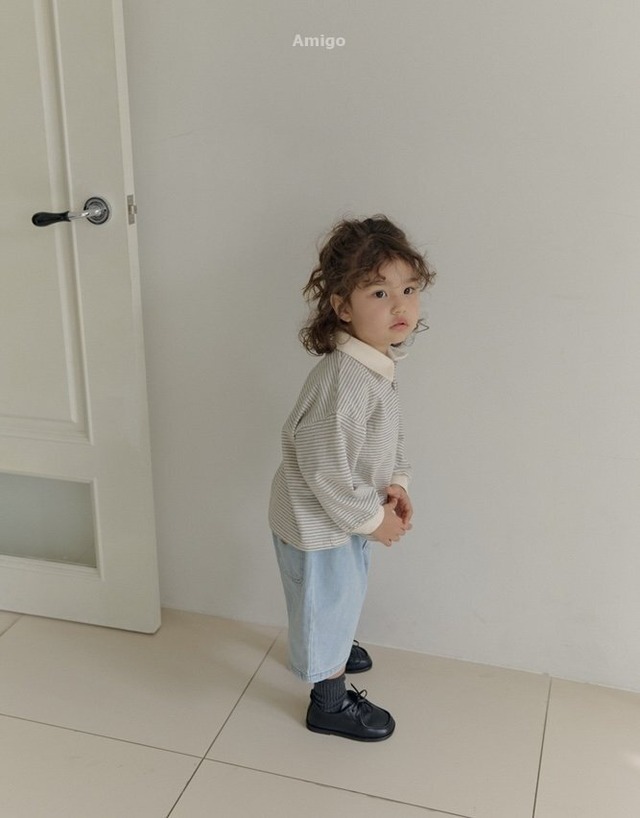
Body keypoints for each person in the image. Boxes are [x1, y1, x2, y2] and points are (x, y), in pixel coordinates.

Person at [269, 214, 435, 741]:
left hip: (342, 513)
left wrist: (397, 483)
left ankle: (333, 642)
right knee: (327, 601)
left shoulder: (374, 366)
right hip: (319, 523)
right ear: (343, 307)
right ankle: (329, 701)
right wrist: (371, 520)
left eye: (409, 289)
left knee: (340, 594)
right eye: (380, 293)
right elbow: (324, 467)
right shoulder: (346, 382)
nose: (400, 306)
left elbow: (387, 434)